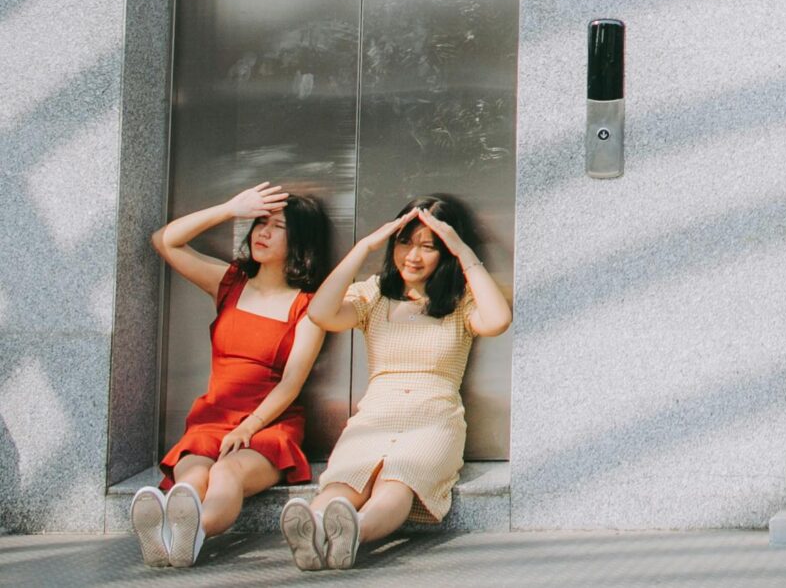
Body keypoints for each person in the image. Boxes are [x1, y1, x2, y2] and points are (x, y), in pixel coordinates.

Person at [288, 197, 511, 571]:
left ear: (446, 252)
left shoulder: (461, 301)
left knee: (398, 483)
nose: (412, 256)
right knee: (344, 483)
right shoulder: (373, 294)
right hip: (376, 414)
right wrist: (363, 248)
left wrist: (461, 248)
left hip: (434, 418)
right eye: (405, 242)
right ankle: (311, 530)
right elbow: (321, 312)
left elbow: (499, 319)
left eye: (429, 246)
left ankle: (352, 533)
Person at [136, 183, 332, 569]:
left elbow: (292, 382)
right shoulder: (229, 283)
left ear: (300, 241)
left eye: (277, 226)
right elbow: (165, 241)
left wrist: (249, 427)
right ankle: (171, 531)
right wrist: (229, 208)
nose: (263, 232)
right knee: (191, 478)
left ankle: (189, 535)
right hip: (212, 419)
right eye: (260, 222)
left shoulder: (307, 308)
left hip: (269, 425)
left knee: (227, 474)